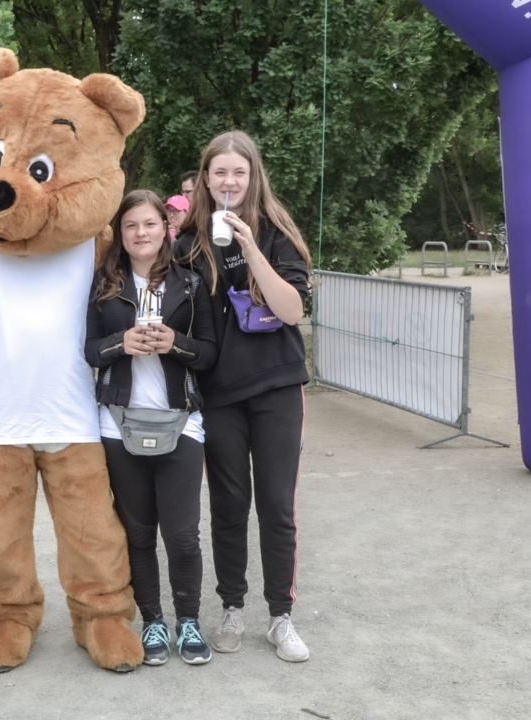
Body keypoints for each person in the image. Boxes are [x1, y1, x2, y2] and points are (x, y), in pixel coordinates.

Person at [174, 130, 314, 662]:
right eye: (219, 173)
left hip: (277, 383)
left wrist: (251, 248)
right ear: (205, 179)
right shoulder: (188, 242)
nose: (229, 181)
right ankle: (232, 606)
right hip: (219, 392)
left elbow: (293, 310)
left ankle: (281, 616)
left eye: (239, 172)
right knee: (229, 506)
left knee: (277, 505)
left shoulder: (275, 231)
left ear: (253, 177)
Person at [85, 190, 218, 666]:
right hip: (118, 422)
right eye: (130, 226)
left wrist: (174, 343)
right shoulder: (105, 284)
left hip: (182, 420)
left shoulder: (191, 283)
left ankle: (188, 621)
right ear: (120, 234)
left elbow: (209, 352)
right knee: (138, 533)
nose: (140, 233)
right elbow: (89, 350)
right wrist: (121, 343)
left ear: (166, 228)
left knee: (182, 534)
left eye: (149, 224)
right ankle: (153, 622)